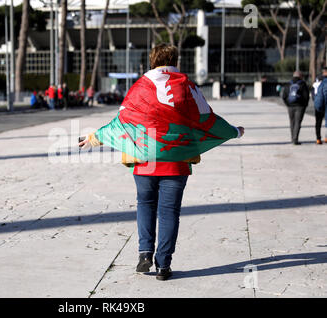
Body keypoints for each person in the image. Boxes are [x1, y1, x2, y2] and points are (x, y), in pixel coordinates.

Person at [78, 44, 244, 281]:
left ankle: (144, 253)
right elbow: (207, 119)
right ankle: (164, 265)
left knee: (145, 203)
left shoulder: (140, 86)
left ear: (152, 60)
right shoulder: (188, 87)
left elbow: (122, 121)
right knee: (169, 212)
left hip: (145, 161)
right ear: (176, 60)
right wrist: (234, 131)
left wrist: (94, 138)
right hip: (176, 162)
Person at [281, 71, 310, 145]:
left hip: (290, 106)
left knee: (292, 122)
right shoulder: (302, 84)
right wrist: (305, 105)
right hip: (300, 106)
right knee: (297, 122)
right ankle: (295, 139)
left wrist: (287, 104)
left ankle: (292, 138)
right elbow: (306, 96)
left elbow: (284, 96)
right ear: (300, 76)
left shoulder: (288, 84)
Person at [314, 67, 327, 144]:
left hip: (318, 103)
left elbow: (313, 91)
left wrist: (315, 100)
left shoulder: (317, 80)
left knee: (318, 122)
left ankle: (318, 138)